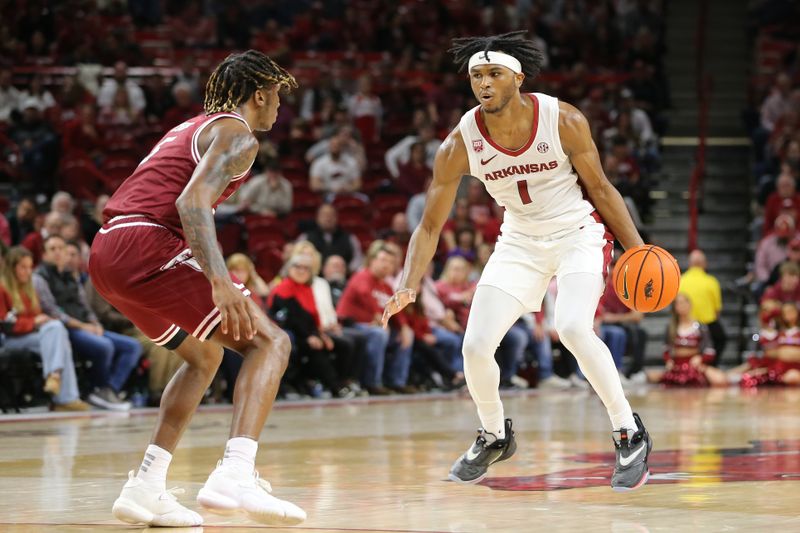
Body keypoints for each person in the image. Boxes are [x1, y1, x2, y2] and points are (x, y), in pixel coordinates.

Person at [382, 32, 652, 490]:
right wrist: (408, 283)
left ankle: (628, 431)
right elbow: (428, 226)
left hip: (577, 233)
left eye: (493, 74)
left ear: (518, 78)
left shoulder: (562, 119)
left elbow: (602, 188)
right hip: (519, 242)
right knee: (474, 345)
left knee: (570, 326)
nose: (483, 83)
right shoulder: (458, 144)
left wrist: (638, 248)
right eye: (475, 76)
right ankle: (493, 435)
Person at [87, 51, 306, 527]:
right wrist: (220, 281)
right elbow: (192, 203)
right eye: (278, 99)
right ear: (261, 94)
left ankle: (145, 485)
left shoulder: (195, 127)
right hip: (146, 243)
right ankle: (236, 473)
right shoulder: (238, 133)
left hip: (106, 253)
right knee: (270, 342)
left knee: (205, 356)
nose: (279, 110)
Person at [33, 235, 138, 411]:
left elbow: (85, 306)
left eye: (61, 248)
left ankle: (108, 390)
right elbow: (53, 311)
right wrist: (83, 326)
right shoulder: (40, 278)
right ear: (44, 255)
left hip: (85, 327)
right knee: (104, 346)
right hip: (65, 330)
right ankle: (98, 388)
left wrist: (95, 324)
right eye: (52, 249)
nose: (58, 252)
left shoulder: (71, 276)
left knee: (132, 347)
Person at [0, 247, 89, 411]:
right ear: (11, 268)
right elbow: (5, 325)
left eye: (30, 267)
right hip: (10, 339)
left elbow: (36, 316)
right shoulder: (2, 288)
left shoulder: (29, 289)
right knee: (57, 331)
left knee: (59, 334)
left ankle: (59, 387)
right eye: (23, 267)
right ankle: (65, 396)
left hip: (31, 336)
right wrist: (34, 322)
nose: (28, 272)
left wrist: (41, 320)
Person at [680, 250, 726, 366]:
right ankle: (711, 365)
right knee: (720, 339)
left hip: (684, 325)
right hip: (707, 325)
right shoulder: (711, 282)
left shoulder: (680, 280)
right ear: (704, 264)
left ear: (690, 264)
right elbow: (717, 311)